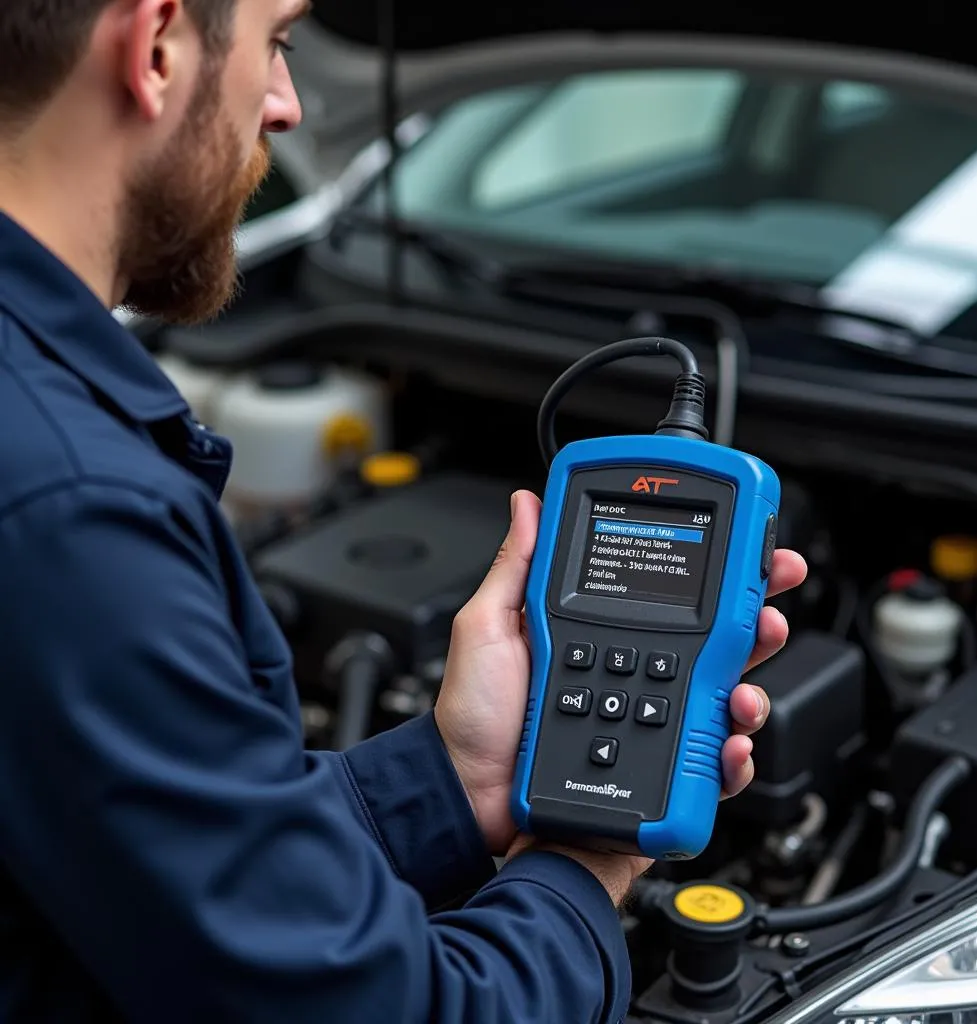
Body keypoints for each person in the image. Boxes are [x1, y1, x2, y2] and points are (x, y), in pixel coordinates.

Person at [0, 1, 808, 1021]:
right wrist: (581, 868)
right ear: (156, 43)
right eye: (279, 43)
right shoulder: (72, 507)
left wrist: (449, 777)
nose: (289, 106)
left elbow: (170, 875)